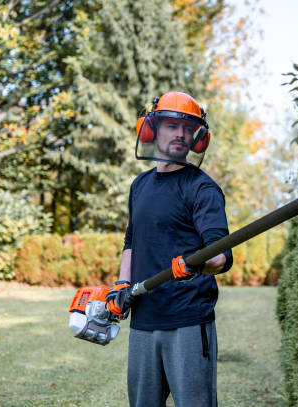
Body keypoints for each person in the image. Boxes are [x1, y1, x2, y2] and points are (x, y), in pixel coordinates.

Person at [106, 91, 233, 406]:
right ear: (151, 129)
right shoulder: (140, 186)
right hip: (143, 317)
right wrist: (122, 283)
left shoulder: (202, 188)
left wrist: (196, 264)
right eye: (171, 126)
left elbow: (220, 255)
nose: (180, 134)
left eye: (188, 129)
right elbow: (131, 241)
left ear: (196, 138)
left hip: (188, 319)